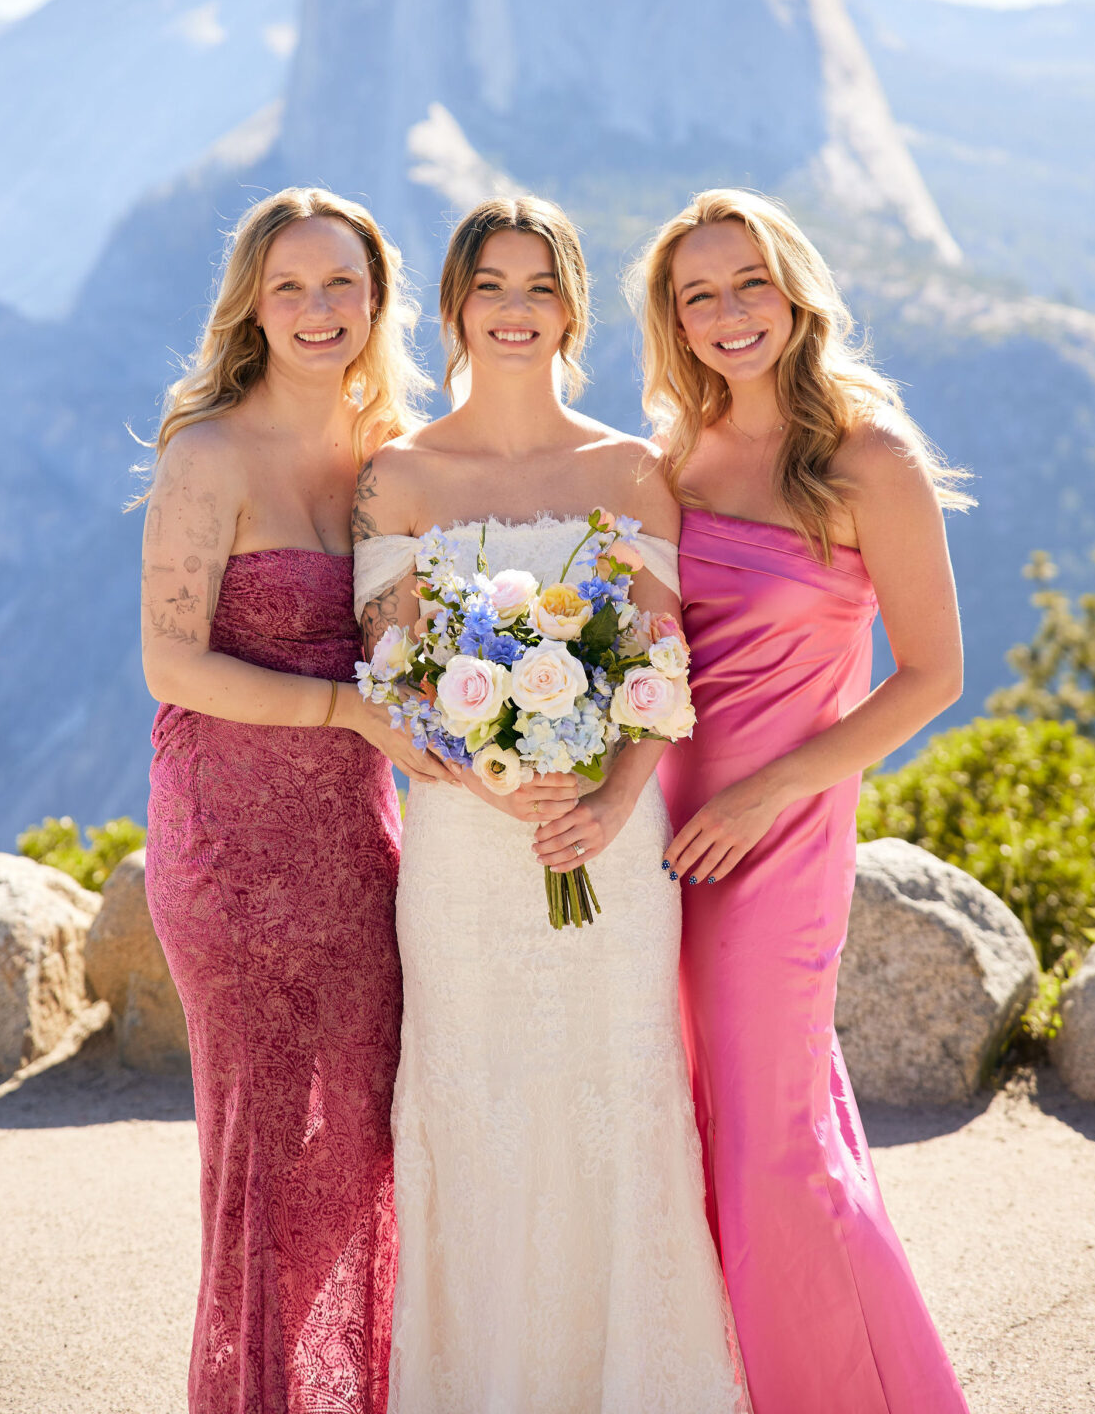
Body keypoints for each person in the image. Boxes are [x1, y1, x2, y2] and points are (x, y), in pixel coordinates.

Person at [351, 195, 745, 1414]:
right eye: (491, 286)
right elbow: (395, 677)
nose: (514, 310)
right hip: (463, 857)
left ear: (572, 309)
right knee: (475, 1117)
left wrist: (614, 800)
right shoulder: (395, 476)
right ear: (454, 307)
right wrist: (494, 773)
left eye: (539, 287)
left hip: (609, 850)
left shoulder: (631, 470)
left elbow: (663, 669)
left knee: (617, 1109)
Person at [634, 187, 973, 1414]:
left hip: (780, 834)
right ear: (675, 320)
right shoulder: (671, 458)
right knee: (694, 1119)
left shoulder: (868, 457)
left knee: (771, 1142)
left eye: (750, 283)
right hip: (654, 828)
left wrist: (769, 792)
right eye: (699, 294)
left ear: (794, 293)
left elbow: (933, 675)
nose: (729, 311)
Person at [139, 187, 452, 1414]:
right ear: (253, 308)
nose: (318, 309)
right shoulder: (209, 453)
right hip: (229, 847)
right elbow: (171, 665)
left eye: (341, 284)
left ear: (376, 300)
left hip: (359, 851)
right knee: (266, 1158)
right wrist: (349, 713)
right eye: (291, 287)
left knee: (361, 1147)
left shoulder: (390, 455)